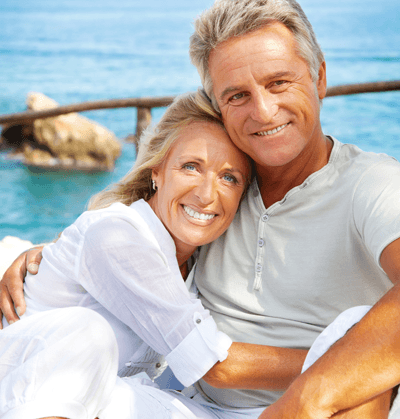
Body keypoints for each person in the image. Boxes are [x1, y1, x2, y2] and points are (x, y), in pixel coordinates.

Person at [2, 0, 400, 418]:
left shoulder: (372, 185)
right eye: (237, 95)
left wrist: (310, 392)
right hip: (188, 404)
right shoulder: (224, 198)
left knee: (357, 350)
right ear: (220, 107)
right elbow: (137, 239)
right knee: (84, 345)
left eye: (279, 82)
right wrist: (56, 258)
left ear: (319, 77)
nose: (263, 110)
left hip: (314, 406)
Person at [0, 89, 258, 418]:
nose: (207, 195)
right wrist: (330, 362)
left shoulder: (203, 265)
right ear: (157, 170)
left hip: (96, 397)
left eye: (228, 177)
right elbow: (211, 365)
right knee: (88, 333)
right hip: (17, 387)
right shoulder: (116, 236)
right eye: (191, 167)